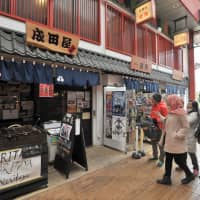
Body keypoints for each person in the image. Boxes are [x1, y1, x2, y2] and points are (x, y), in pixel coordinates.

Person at [157, 94, 195, 185]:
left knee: (179, 161)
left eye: (168, 101)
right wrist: (159, 116)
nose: (167, 103)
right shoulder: (172, 112)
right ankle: (167, 178)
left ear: (173, 102)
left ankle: (189, 175)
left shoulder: (181, 113)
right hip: (169, 142)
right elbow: (167, 121)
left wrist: (177, 135)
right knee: (168, 160)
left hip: (176, 142)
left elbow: (186, 127)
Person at [149, 93, 168, 167]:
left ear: (156, 99)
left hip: (161, 129)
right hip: (154, 127)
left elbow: (166, 119)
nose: (151, 100)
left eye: (152, 98)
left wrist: (158, 119)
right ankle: (155, 156)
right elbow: (153, 114)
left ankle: (161, 160)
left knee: (161, 145)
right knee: (153, 141)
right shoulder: (154, 106)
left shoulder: (163, 107)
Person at [186, 100, 199, 176]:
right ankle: (183, 166)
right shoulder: (188, 113)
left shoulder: (195, 114)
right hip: (185, 136)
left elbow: (187, 121)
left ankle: (196, 168)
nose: (187, 106)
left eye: (189, 105)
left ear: (194, 106)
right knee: (183, 152)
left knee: (191, 153)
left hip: (190, 136)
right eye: (187, 105)